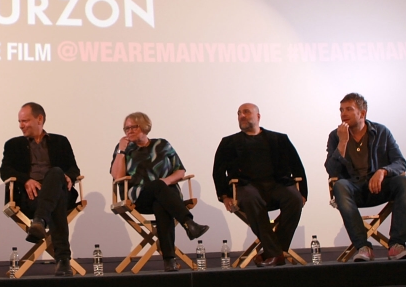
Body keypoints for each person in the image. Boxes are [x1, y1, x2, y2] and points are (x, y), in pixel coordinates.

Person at [111, 112, 209, 272]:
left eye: (133, 127)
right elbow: (117, 176)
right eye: (126, 128)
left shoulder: (162, 144)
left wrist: (165, 182)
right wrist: (121, 152)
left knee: (161, 204)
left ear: (144, 126)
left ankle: (169, 260)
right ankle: (189, 223)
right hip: (139, 198)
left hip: (167, 198)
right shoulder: (123, 149)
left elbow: (180, 171)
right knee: (158, 188)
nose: (129, 131)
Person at [213, 103, 307, 267]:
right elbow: (218, 172)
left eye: (246, 112)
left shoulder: (279, 139)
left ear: (258, 116)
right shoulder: (229, 142)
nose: (242, 116)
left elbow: (297, 166)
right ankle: (276, 254)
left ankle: (273, 252)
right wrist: (224, 196)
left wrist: (303, 193)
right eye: (239, 113)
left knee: (294, 199)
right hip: (246, 186)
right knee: (251, 199)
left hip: (277, 185)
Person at [325, 93, 406, 261]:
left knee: (405, 182)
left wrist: (383, 171)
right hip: (353, 190)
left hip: (378, 187)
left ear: (362, 113)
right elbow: (332, 170)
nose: (343, 114)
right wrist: (342, 143)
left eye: (349, 109)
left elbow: (400, 162)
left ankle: (397, 245)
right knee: (340, 185)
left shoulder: (381, 132)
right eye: (341, 110)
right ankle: (363, 247)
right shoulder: (335, 136)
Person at [0, 103, 81, 276]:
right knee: (56, 202)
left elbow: (74, 169)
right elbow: (5, 171)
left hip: (56, 190)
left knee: (56, 173)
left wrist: (69, 176)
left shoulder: (61, 141)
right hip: (31, 196)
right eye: (19, 121)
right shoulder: (13, 144)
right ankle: (63, 260)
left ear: (40, 119)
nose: (21, 125)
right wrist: (26, 180)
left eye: (25, 121)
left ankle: (40, 221)